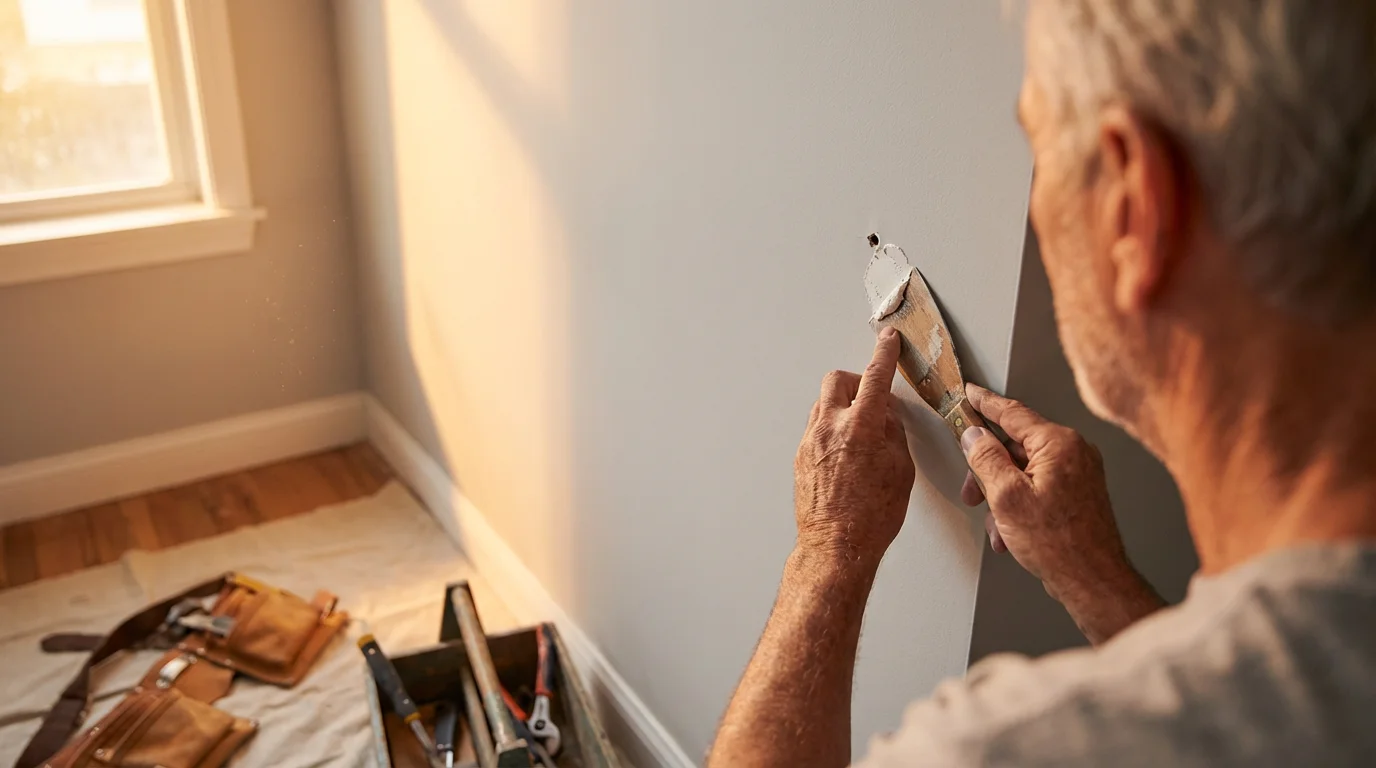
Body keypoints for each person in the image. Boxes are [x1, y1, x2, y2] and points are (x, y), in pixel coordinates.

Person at [708, 1, 1376, 766]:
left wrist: (828, 549)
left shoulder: (1010, 747)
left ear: (1134, 206)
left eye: (1042, 147)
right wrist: (1094, 577)